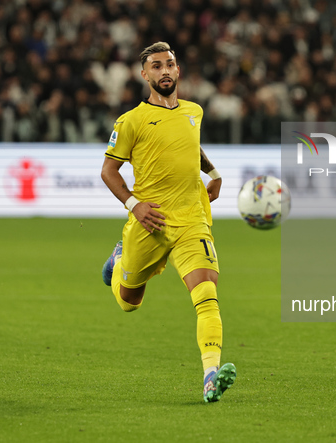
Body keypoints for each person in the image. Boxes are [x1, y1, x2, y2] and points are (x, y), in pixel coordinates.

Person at [100, 42, 236, 403]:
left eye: (170, 64)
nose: (164, 71)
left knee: (207, 294)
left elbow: (192, 147)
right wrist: (134, 205)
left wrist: (214, 173)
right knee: (130, 301)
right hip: (150, 223)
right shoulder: (130, 121)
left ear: (178, 71)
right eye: (156, 66)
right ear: (144, 75)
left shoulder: (194, 111)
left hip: (192, 219)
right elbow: (108, 171)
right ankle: (117, 264)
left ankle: (210, 375)